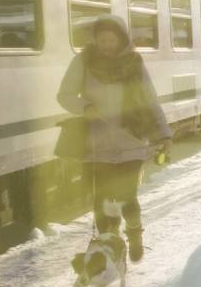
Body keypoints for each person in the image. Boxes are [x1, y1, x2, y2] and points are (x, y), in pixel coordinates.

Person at [57, 16, 170, 262]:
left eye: (111, 39)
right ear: (95, 40)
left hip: (131, 141)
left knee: (127, 196)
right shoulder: (83, 62)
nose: (107, 44)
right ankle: (111, 242)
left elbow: (150, 99)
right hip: (96, 145)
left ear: (121, 39)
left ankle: (135, 233)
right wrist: (83, 106)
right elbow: (64, 95)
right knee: (101, 201)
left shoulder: (134, 62)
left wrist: (164, 134)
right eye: (102, 40)